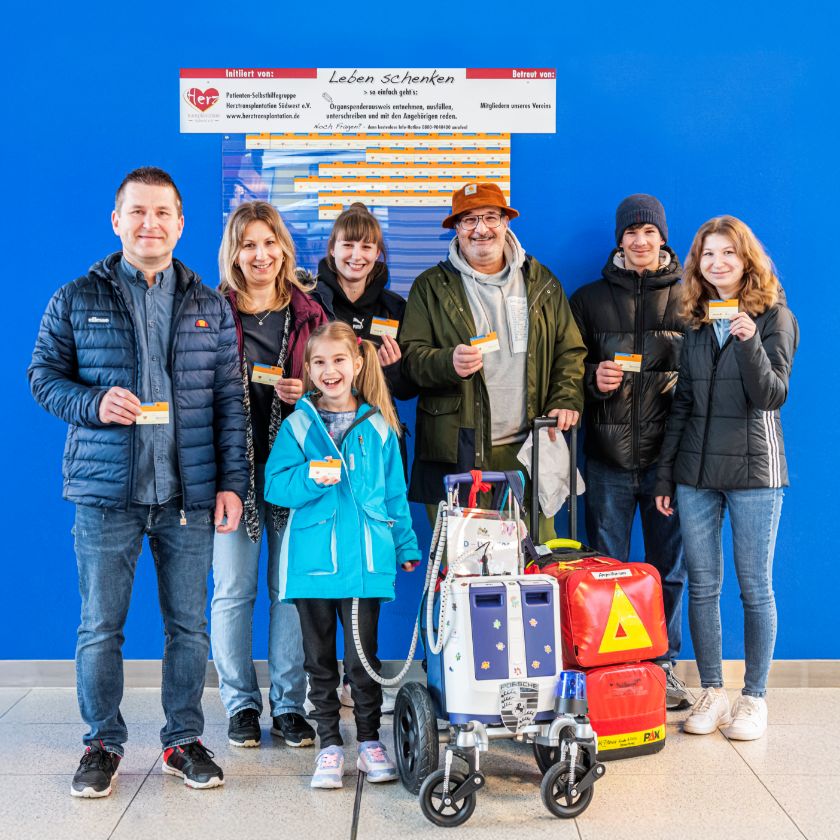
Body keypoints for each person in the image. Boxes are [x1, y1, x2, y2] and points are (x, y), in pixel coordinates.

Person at [28, 167, 247, 796]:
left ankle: (183, 740)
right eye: (137, 212)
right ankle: (101, 742)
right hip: (107, 498)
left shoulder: (209, 304)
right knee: (101, 627)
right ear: (116, 220)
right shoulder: (76, 297)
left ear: (181, 223)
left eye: (162, 213)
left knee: (189, 627)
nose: (150, 224)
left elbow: (230, 401)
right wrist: (93, 402)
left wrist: (231, 483)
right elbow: (43, 377)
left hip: (187, 495)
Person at [654, 215, 798, 741]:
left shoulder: (775, 317)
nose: (717, 263)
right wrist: (667, 477)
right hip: (696, 473)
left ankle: (754, 697)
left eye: (728, 254)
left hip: (756, 472)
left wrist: (747, 340)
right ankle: (713, 689)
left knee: (755, 587)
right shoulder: (694, 320)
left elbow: (771, 396)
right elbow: (684, 403)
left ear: (747, 260)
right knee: (703, 586)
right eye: (708, 254)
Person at [264, 321, 421, 789]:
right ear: (308, 370)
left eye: (338, 361)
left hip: (364, 562)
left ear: (357, 364)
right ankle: (329, 743)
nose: (329, 370)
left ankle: (370, 741)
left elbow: (395, 495)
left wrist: (407, 544)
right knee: (319, 660)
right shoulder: (297, 425)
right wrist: (313, 475)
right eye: (318, 362)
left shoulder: (379, 426)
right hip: (312, 563)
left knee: (363, 660)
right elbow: (275, 485)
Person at [401, 182, 586, 540]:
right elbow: (410, 360)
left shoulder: (541, 281)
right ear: (456, 229)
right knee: (464, 568)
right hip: (460, 452)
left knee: (536, 562)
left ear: (505, 223)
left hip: (529, 450)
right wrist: (446, 362)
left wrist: (565, 399)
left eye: (489, 217)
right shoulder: (430, 286)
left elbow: (570, 351)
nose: (480, 229)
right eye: (469, 220)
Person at [211, 201, 326, 751]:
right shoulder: (208, 311)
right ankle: (239, 704)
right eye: (247, 244)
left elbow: (338, 386)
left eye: (268, 242)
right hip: (229, 470)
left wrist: (311, 392)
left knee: (288, 590)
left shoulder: (311, 314)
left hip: (293, 468)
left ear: (284, 247)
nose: (259, 255)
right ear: (234, 252)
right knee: (234, 591)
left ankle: (287, 705)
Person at [570, 194, 689, 709]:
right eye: (631, 233)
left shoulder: (691, 298)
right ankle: (608, 671)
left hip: (671, 460)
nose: (640, 241)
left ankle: (665, 668)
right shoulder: (588, 299)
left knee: (670, 570)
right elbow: (564, 375)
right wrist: (592, 380)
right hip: (607, 460)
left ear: (663, 237)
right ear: (618, 240)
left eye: (649, 232)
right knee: (604, 571)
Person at [312, 201, 417, 710]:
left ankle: (362, 677)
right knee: (321, 563)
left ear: (378, 253)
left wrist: (395, 371)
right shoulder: (312, 303)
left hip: (376, 452)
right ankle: (319, 686)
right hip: (322, 450)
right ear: (332, 249)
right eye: (347, 243)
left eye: (367, 245)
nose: (356, 254)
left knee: (366, 564)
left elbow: (411, 386)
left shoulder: (397, 308)